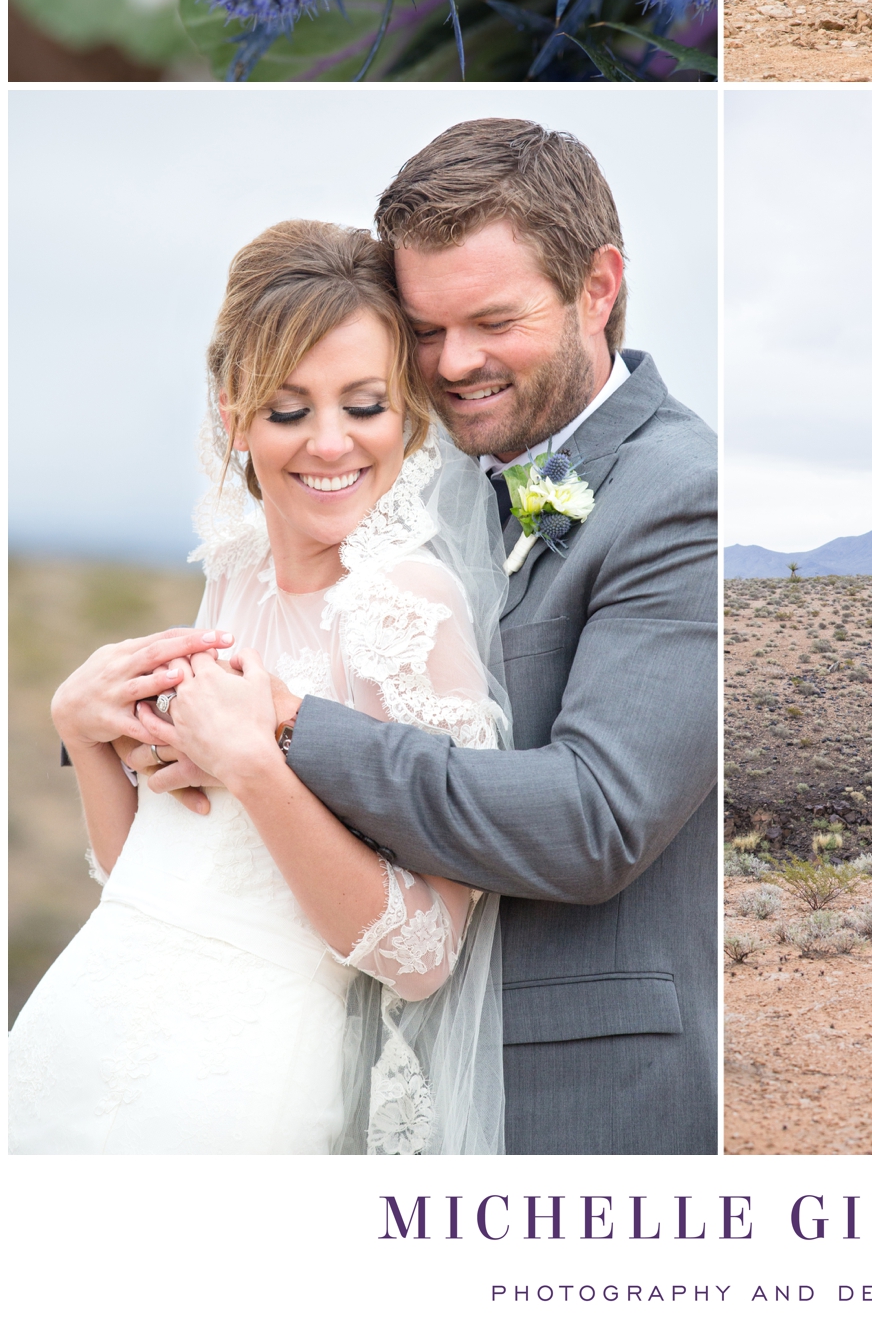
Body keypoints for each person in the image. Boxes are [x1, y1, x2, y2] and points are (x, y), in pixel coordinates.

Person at [146, 118, 718, 1156]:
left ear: (597, 287)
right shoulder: (418, 469)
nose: (453, 365)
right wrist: (119, 714)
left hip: (576, 1099)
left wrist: (286, 726)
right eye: (424, 329)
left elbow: (596, 819)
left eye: (493, 320)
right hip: (343, 1074)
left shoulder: (689, 495)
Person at [10, 223, 510, 1155]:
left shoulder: (409, 606)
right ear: (234, 413)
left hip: (240, 1082)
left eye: (365, 404)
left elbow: (426, 956)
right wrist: (82, 737)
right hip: (82, 1029)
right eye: (288, 411)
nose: (330, 444)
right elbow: (156, 877)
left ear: (407, 411)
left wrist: (257, 766)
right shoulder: (233, 572)